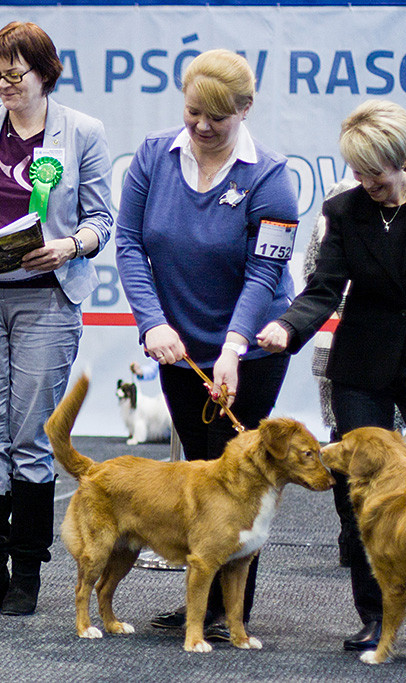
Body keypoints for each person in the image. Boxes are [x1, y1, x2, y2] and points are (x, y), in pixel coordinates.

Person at [115, 49, 299, 640]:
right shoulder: (152, 156)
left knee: (242, 475)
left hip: (252, 350)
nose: (200, 126)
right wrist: (151, 323)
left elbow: (263, 274)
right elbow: (127, 246)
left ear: (245, 109)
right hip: (179, 348)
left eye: (217, 117)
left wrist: (234, 346)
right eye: (193, 112)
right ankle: (205, 598)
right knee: (198, 470)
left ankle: (228, 613)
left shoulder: (270, 177)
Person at [0, 21, 113, 616]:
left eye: (17, 74)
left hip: (47, 297)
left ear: (45, 73)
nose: (6, 84)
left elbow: (102, 220)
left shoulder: (82, 132)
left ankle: (28, 574)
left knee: (29, 439)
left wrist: (70, 245)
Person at [256, 99, 406, 653]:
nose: (364, 180)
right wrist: (287, 328)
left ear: (402, 159)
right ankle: (375, 616)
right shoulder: (344, 211)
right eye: (357, 169)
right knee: (356, 488)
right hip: (362, 363)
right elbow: (324, 287)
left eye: (375, 170)